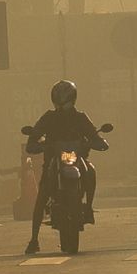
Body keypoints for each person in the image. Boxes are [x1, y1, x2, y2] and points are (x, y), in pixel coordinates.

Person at [24, 80, 105, 255]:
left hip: (77, 159)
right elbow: (32, 141)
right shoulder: (48, 118)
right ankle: (34, 239)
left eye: (65, 99)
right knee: (42, 196)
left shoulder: (81, 118)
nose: (62, 104)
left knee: (91, 171)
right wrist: (43, 146)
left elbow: (95, 137)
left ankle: (88, 207)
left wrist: (97, 142)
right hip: (54, 161)